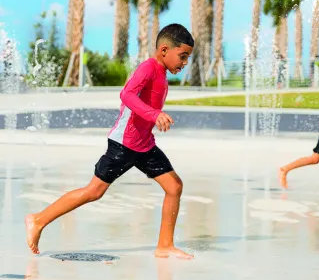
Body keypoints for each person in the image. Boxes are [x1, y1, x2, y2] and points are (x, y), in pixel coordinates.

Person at [25, 23, 195, 258]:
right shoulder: (148, 68)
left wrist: (152, 119)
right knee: (94, 191)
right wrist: (154, 114)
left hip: (144, 144)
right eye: (183, 56)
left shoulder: (162, 74)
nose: (184, 63)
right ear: (164, 50)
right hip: (124, 144)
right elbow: (126, 95)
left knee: (174, 186)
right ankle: (38, 220)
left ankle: (164, 246)